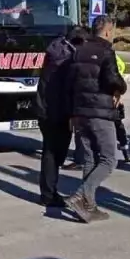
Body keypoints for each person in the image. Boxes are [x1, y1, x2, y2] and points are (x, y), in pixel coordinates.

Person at [64, 16, 127, 223]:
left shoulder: (78, 51)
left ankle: (89, 207)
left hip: (80, 112)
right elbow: (111, 79)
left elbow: (70, 84)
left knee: (90, 158)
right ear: (108, 31)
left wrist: (72, 113)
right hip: (100, 113)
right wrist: (121, 87)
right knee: (109, 160)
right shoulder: (107, 51)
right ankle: (81, 195)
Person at [35, 25, 84, 208]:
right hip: (58, 112)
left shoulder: (54, 50)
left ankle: (48, 192)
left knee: (50, 151)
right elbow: (68, 90)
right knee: (55, 153)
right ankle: (48, 194)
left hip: (44, 108)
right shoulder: (68, 60)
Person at [113, 53, 130, 165]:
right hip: (114, 97)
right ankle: (125, 150)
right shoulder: (115, 58)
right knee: (118, 126)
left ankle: (125, 150)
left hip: (105, 98)